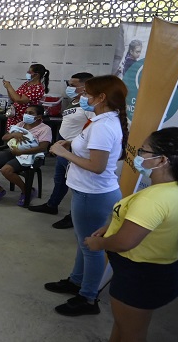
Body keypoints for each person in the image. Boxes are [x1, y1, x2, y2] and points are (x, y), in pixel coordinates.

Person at [84, 128, 178, 342]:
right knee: (125, 326)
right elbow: (147, 224)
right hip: (155, 273)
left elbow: (125, 242)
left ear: (162, 160)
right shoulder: (173, 188)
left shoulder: (154, 199)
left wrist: (99, 244)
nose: (138, 155)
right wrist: (116, 224)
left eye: (144, 150)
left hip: (141, 277)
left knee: (132, 333)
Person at [45, 75, 128, 316]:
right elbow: (91, 148)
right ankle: (76, 281)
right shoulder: (101, 120)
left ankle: (88, 297)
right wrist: (71, 143)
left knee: (92, 247)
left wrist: (63, 152)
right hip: (86, 191)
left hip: (93, 194)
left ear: (102, 97)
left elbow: (97, 166)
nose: (83, 97)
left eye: (88, 94)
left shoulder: (103, 126)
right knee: (84, 242)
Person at [29, 72, 95, 229]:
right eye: (69, 84)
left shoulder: (89, 105)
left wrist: (71, 145)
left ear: (84, 87)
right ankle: (52, 205)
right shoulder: (75, 101)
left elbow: (92, 129)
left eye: (73, 85)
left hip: (74, 150)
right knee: (60, 179)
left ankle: (74, 216)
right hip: (64, 147)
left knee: (76, 185)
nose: (69, 88)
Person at [0, 104, 52, 206]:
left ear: (39, 117)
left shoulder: (45, 129)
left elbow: (42, 148)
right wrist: (13, 134)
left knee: (6, 170)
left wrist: (21, 152)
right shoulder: (20, 124)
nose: (26, 115)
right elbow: (4, 138)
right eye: (26, 112)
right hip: (14, 152)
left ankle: (27, 191)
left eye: (31, 113)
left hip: (31, 156)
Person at [3, 63, 49, 129]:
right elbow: (14, 98)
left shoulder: (38, 88)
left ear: (37, 75)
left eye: (30, 72)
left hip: (25, 120)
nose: (27, 73)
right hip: (15, 118)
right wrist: (7, 88)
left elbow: (20, 100)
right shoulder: (26, 84)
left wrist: (9, 86)